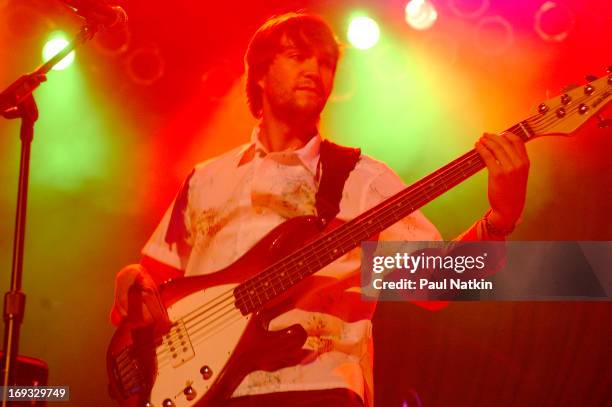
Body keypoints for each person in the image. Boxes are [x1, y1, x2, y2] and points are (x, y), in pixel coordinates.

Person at [110, 12, 529, 407]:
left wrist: (499, 220)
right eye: (297, 56)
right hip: (206, 392)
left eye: (325, 62)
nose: (315, 69)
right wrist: (132, 279)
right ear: (258, 74)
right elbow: (156, 281)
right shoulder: (206, 178)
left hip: (318, 387)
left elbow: (435, 286)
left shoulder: (363, 179)